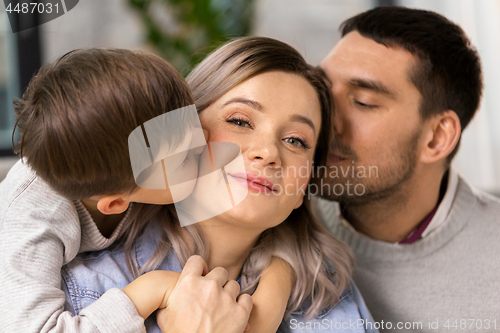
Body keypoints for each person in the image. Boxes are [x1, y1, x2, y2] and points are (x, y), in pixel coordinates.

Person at [61, 36, 377, 333]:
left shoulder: (326, 294)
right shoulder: (85, 287)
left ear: (305, 184)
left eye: (296, 140)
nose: (268, 153)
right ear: (183, 132)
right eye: (239, 121)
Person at [0, 48, 252, 332]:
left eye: (191, 119)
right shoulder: (34, 217)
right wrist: (152, 289)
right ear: (115, 203)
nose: (204, 140)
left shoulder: (128, 170)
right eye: (183, 157)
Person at [315, 6, 500, 332]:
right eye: (322, 89)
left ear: (436, 138)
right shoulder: (274, 213)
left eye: (363, 102)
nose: (324, 117)